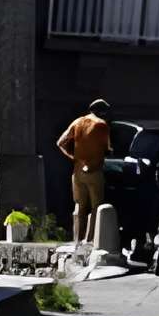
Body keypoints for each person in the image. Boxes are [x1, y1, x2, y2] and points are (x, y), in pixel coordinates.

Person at [58, 98, 114, 245]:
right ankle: (90, 241)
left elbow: (60, 143)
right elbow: (108, 148)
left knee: (79, 206)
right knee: (97, 207)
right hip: (94, 171)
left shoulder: (77, 122)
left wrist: (73, 156)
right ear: (102, 111)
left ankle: (77, 240)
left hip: (77, 171)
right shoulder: (102, 125)